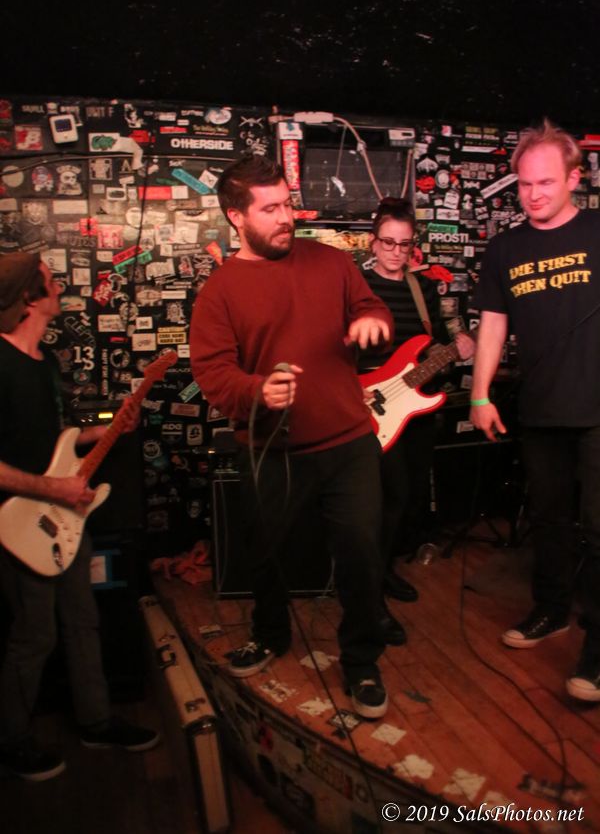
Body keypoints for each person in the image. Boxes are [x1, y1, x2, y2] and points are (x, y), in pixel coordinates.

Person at [190, 156, 393, 719]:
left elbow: (371, 305)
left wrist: (373, 321)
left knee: (361, 553)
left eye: (288, 203)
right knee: (266, 553)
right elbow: (212, 372)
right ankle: (270, 633)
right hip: (272, 451)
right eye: (270, 209)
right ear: (236, 217)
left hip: (348, 442)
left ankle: (362, 660)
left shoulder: (332, 261)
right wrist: (258, 390)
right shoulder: (219, 292)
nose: (287, 217)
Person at [0, 252, 159, 781]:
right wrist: (54, 488)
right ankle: (11, 741)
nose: (59, 286)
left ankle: (96, 720)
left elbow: (56, 440)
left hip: (62, 513)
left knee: (83, 621)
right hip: (16, 524)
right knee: (34, 636)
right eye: (49, 280)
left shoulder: (43, 361)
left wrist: (106, 431)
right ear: (28, 298)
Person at [470, 118, 600, 702]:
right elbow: (493, 325)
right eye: (524, 184)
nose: (533, 194)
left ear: (574, 178)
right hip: (541, 407)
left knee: (599, 529)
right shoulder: (506, 247)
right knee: (548, 521)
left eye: (546, 182)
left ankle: (599, 648)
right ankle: (551, 610)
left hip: (598, 409)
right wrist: (480, 394)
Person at [359, 199, 474, 628]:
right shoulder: (356, 285)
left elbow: (433, 345)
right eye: (388, 242)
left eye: (404, 244)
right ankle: (369, 584)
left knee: (406, 498)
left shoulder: (421, 289)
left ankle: (384, 569)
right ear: (373, 242)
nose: (396, 251)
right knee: (387, 496)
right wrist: (353, 389)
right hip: (371, 404)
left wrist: (458, 349)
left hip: (415, 409)